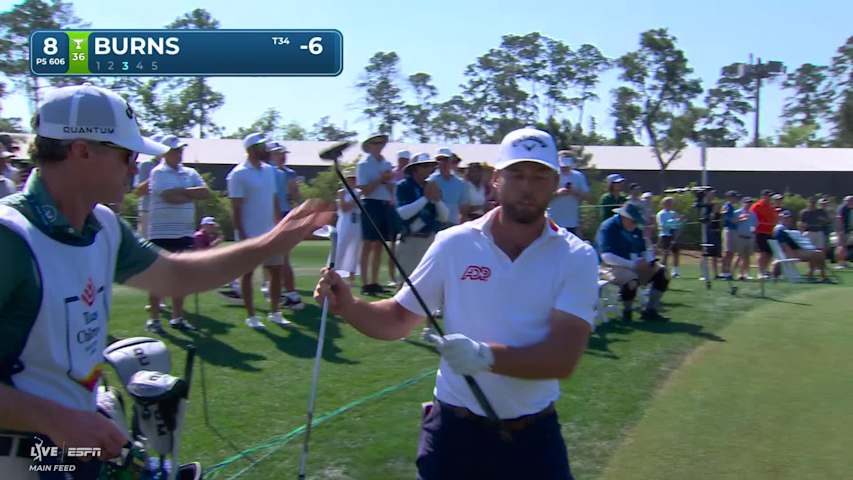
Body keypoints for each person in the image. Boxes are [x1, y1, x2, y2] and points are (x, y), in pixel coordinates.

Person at [0, 84, 333, 478]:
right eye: (128, 154)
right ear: (82, 150)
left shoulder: (103, 225)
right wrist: (56, 419)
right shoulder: (10, 236)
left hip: (73, 445)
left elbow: (176, 275)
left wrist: (270, 243)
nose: (135, 167)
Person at [315, 127, 597, 480]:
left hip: (533, 437)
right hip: (454, 432)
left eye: (540, 175)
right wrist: (350, 305)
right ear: (496, 180)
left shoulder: (577, 256)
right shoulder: (454, 243)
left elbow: (562, 358)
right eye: (517, 174)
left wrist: (484, 356)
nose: (527, 186)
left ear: (556, 183)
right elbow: (399, 318)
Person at [145, 134, 210, 333]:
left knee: (181, 277)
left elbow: (205, 192)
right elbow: (169, 197)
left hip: (184, 232)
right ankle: (154, 319)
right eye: (175, 150)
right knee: (158, 277)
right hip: (161, 232)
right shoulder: (158, 172)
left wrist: (181, 191)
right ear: (165, 152)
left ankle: (177, 317)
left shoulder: (190, 172)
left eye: (180, 150)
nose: (179, 153)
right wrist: (189, 193)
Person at [226, 132, 290, 328]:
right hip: (249, 234)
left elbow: (274, 199)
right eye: (262, 147)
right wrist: (242, 234)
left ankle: (275, 312)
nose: (266, 150)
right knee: (247, 274)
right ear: (251, 149)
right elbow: (235, 207)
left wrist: (279, 226)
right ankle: (252, 316)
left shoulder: (270, 170)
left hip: (270, 231)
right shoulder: (238, 174)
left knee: (276, 271)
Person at [598, 201, 670, 323]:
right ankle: (627, 312)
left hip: (634, 263)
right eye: (633, 221)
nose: (635, 224)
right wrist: (633, 264)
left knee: (663, 273)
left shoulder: (635, 229)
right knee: (631, 279)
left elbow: (643, 250)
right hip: (609, 267)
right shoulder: (608, 227)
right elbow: (606, 257)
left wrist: (650, 261)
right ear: (624, 217)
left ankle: (650, 310)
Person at [395, 152, 448, 277]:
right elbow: (402, 214)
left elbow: (444, 217)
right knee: (407, 281)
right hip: (410, 240)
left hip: (429, 239)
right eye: (425, 166)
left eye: (430, 166)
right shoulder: (403, 186)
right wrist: (425, 198)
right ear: (415, 169)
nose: (429, 169)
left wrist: (437, 200)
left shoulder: (431, 186)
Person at [356, 133, 397, 296]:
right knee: (367, 243)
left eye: (381, 143)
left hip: (384, 203)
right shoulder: (363, 164)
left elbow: (390, 187)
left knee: (380, 244)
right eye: (375, 143)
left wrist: (388, 181)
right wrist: (381, 179)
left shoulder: (386, 163)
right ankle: (365, 283)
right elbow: (364, 190)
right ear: (369, 146)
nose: (379, 146)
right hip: (370, 203)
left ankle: (374, 282)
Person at [267, 140, 305, 310]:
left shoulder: (283, 173)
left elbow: (294, 193)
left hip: (281, 214)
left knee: (281, 257)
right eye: (277, 153)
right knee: (275, 258)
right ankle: (281, 290)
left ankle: (291, 294)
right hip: (274, 214)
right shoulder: (272, 171)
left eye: (283, 154)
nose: (282, 157)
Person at [773, 210, 831, 282]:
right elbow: (783, 244)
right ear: (780, 218)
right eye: (785, 218)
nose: (788, 220)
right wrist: (792, 255)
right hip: (791, 253)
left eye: (789, 218)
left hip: (795, 251)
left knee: (817, 252)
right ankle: (820, 276)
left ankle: (814, 275)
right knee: (818, 254)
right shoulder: (780, 230)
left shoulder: (785, 229)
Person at [546, 150, 591, 236]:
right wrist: (557, 193)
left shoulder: (578, 176)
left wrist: (575, 192)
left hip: (572, 222)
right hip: (552, 222)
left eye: (567, 165)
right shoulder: (551, 175)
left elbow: (587, 197)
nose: (564, 168)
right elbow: (542, 197)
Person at [131, 133, 164, 238]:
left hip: (165, 211)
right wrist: (157, 175)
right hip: (148, 211)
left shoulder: (174, 168)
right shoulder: (146, 165)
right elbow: (138, 191)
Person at [335, 168, 363, 281]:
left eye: (354, 179)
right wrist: (355, 199)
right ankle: (336, 271)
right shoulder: (342, 192)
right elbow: (344, 208)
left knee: (356, 247)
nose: (352, 181)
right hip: (345, 220)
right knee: (341, 244)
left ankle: (352, 273)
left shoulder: (359, 192)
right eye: (350, 179)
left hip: (357, 220)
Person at [427, 148, 467, 226]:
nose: (443, 163)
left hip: (453, 223)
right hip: (435, 224)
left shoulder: (460, 183)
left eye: (446, 160)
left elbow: (463, 207)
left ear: (451, 161)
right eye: (439, 160)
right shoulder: (430, 181)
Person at [750, 189, 778, 278]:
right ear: (763, 196)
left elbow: (774, 219)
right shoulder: (757, 206)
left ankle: (765, 270)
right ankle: (760, 272)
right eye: (768, 196)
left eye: (770, 196)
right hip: (760, 232)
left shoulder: (771, 207)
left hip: (770, 232)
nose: (769, 198)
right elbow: (752, 218)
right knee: (762, 253)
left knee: (770, 253)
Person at [732, 196, 758, 280]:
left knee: (747, 257)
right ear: (742, 203)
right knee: (739, 256)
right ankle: (732, 273)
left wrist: (754, 233)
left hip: (749, 237)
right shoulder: (737, 212)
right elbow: (732, 223)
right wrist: (740, 219)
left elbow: (755, 225)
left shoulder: (753, 214)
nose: (748, 204)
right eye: (747, 202)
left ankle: (743, 274)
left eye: (750, 203)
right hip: (740, 237)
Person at [656, 196, 683, 277]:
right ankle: (662, 271)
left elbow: (677, 224)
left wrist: (679, 222)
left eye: (671, 202)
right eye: (668, 202)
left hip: (673, 235)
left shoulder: (674, 213)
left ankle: (676, 272)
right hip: (665, 235)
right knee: (665, 254)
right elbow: (663, 225)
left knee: (676, 253)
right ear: (664, 204)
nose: (670, 204)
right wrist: (673, 222)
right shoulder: (661, 214)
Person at [721, 190, 740, 279]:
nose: (736, 199)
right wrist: (740, 219)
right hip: (729, 230)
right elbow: (728, 218)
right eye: (734, 197)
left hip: (733, 230)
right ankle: (724, 272)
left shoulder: (732, 207)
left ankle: (728, 272)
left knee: (731, 252)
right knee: (728, 252)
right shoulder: (727, 206)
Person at [835, 195, 853, 269]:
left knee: (844, 247)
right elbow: (839, 219)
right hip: (842, 230)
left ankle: (843, 262)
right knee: (841, 246)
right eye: (851, 200)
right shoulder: (842, 208)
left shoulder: (849, 208)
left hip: (847, 230)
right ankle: (839, 263)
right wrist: (841, 230)